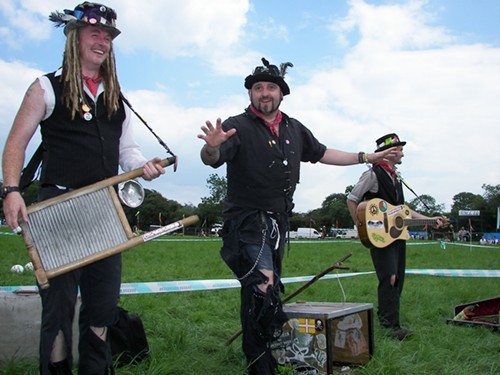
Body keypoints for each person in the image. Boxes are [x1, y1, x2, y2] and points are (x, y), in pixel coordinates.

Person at [197, 57, 398, 374]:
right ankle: (261, 364)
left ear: (281, 93)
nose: (264, 93)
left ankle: (261, 351)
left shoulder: (294, 128)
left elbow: (324, 153)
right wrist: (211, 147)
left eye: (271, 87)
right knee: (263, 285)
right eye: (258, 87)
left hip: (278, 223)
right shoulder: (237, 125)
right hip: (245, 222)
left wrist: (366, 156)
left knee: (264, 289)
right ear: (250, 93)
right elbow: (213, 157)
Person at [1, 3, 165, 374]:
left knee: (102, 308)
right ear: (73, 36)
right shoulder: (45, 86)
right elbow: (15, 143)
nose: (102, 41)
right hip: (58, 207)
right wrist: (11, 189)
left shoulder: (116, 98)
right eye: (94, 33)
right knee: (57, 309)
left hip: (105, 211)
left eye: (107, 36)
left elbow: (128, 152)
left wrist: (142, 168)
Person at [346, 133, 444, 340]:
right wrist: (362, 226)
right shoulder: (372, 175)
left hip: (397, 234)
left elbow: (403, 211)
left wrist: (429, 219)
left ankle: (388, 319)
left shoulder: (396, 176)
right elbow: (352, 199)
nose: (402, 154)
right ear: (389, 152)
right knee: (389, 278)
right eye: (399, 150)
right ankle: (390, 327)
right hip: (380, 236)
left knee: (397, 278)